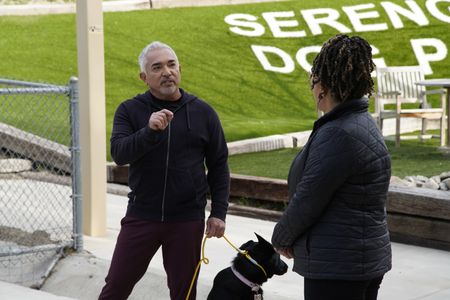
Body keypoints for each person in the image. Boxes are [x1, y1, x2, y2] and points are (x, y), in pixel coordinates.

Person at [99, 41, 230, 300]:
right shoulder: (129, 110)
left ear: (180, 68)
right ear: (144, 77)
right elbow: (119, 154)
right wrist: (149, 132)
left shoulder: (203, 112)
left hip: (187, 220)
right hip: (141, 216)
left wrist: (218, 213)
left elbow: (218, 165)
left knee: (184, 294)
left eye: (171, 64)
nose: (167, 72)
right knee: (115, 287)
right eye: (157, 67)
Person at [271, 34, 392, 300]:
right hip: (356, 260)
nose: (312, 89)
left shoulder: (340, 133)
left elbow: (309, 198)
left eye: (312, 81)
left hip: (339, 267)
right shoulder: (359, 123)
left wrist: (280, 238)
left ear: (323, 87)